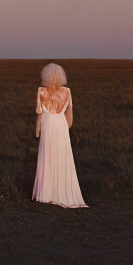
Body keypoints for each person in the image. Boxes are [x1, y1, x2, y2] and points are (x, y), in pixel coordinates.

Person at [32, 63, 88, 208]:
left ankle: (46, 193)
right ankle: (61, 191)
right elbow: (69, 115)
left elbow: (39, 113)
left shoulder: (41, 91)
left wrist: (37, 130)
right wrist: (66, 128)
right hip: (61, 125)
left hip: (48, 124)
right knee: (62, 157)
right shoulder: (67, 92)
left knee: (47, 156)